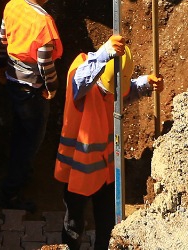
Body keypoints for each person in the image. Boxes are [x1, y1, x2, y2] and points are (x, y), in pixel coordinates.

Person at [55, 35, 161, 250]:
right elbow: (83, 77)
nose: (112, 96)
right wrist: (104, 53)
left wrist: (145, 83)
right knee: (74, 224)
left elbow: (126, 91)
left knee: (108, 225)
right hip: (78, 173)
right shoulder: (80, 80)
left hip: (106, 172)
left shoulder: (113, 85)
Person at [0, 0, 63, 211]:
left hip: (13, 82)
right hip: (31, 90)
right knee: (30, 140)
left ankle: (21, 172)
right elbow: (45, 63)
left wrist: (0, 66)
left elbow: (2, 39)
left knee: (20, 131)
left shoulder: (12, 5)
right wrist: (52, 87)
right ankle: (10, 193)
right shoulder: (43, 23)